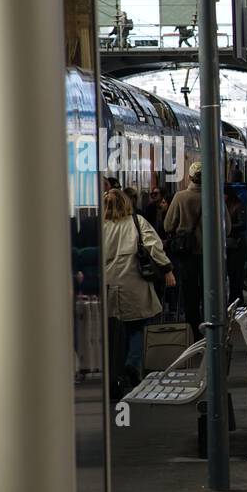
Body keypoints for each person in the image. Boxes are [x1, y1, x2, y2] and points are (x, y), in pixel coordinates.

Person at [102, 188, 175, 387]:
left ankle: (115, 371)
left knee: (113, 331)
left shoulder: (100, 226)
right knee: (137, 328)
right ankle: (132, 365)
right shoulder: (137, 222)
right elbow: (154, 245)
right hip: (134, 283)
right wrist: (167, 269)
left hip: (108, 285)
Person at [164, 161, 205, 338]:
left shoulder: (180, 197)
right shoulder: (214, 196)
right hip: (209, 255)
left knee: (189, 291)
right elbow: (226, 228)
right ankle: (210, 324)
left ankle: (194, 329)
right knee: (207, 289)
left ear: (189, 177)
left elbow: (167, 225)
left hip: (186, 252)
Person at [225, 184, 247, 304]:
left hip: (236, 245)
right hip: (230, 245)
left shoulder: (237, 206)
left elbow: (243, 224)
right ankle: (234, 298)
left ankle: (237, 299)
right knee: (232, 274)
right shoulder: (227, 206)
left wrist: (227, 228)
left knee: (236, 275)